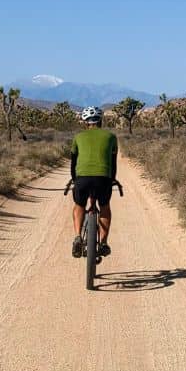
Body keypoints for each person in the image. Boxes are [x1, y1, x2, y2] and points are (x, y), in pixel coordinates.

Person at [70, 106, 118, 258]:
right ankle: (103, 243)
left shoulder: (78, 137)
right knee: (104, 207)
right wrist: (111, 180)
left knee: (79, 205)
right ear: (101, 120)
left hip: (82, 179)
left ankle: (77, 237)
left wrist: (75, 179)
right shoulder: (111, 137)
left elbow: (73, 162)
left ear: (85, 122)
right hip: (103, 178)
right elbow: (113, 163)